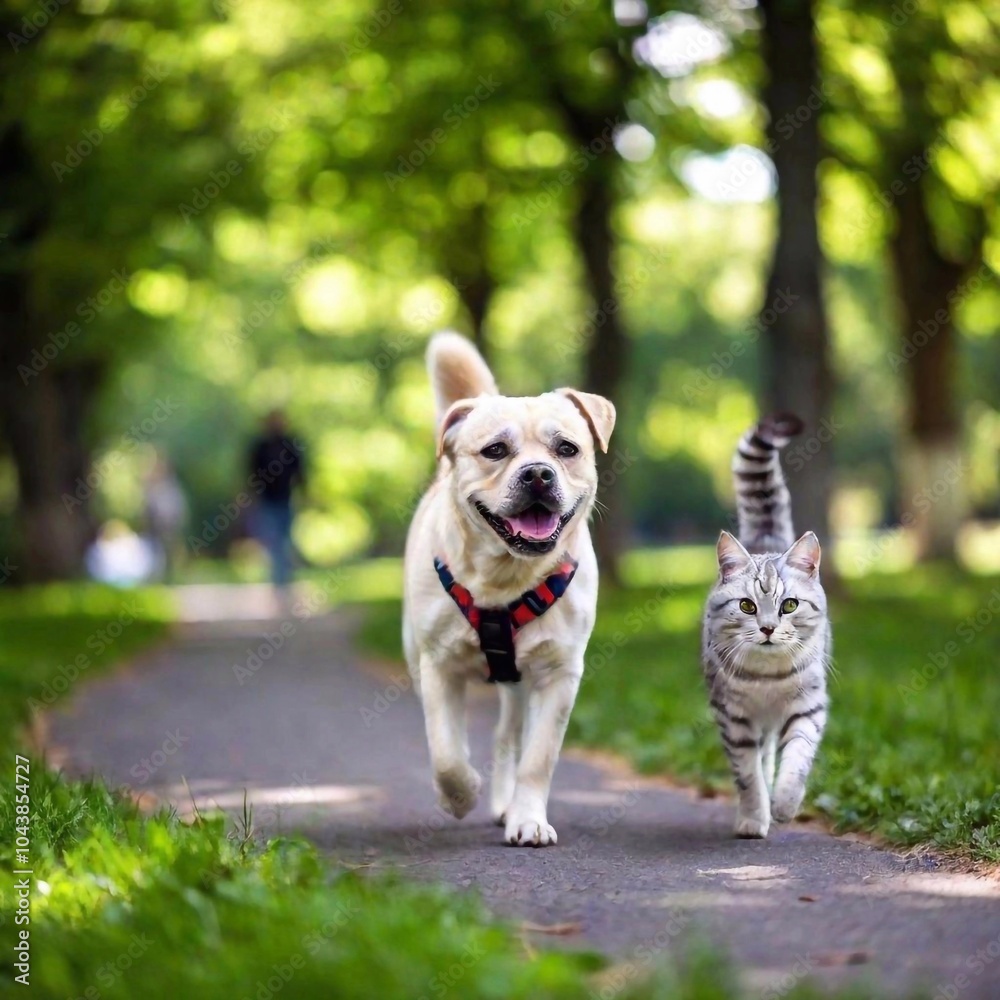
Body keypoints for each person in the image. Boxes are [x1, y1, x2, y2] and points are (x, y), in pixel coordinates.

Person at [247, 410, 305, 588]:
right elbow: (251, 474)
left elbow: (300, 472)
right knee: (274, 542)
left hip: (286, 500)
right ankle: (279, 583)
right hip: (266, 502)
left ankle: (285, 580)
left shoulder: (290, 445)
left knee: (285, 541)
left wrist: (305, 494)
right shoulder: (260, 447)